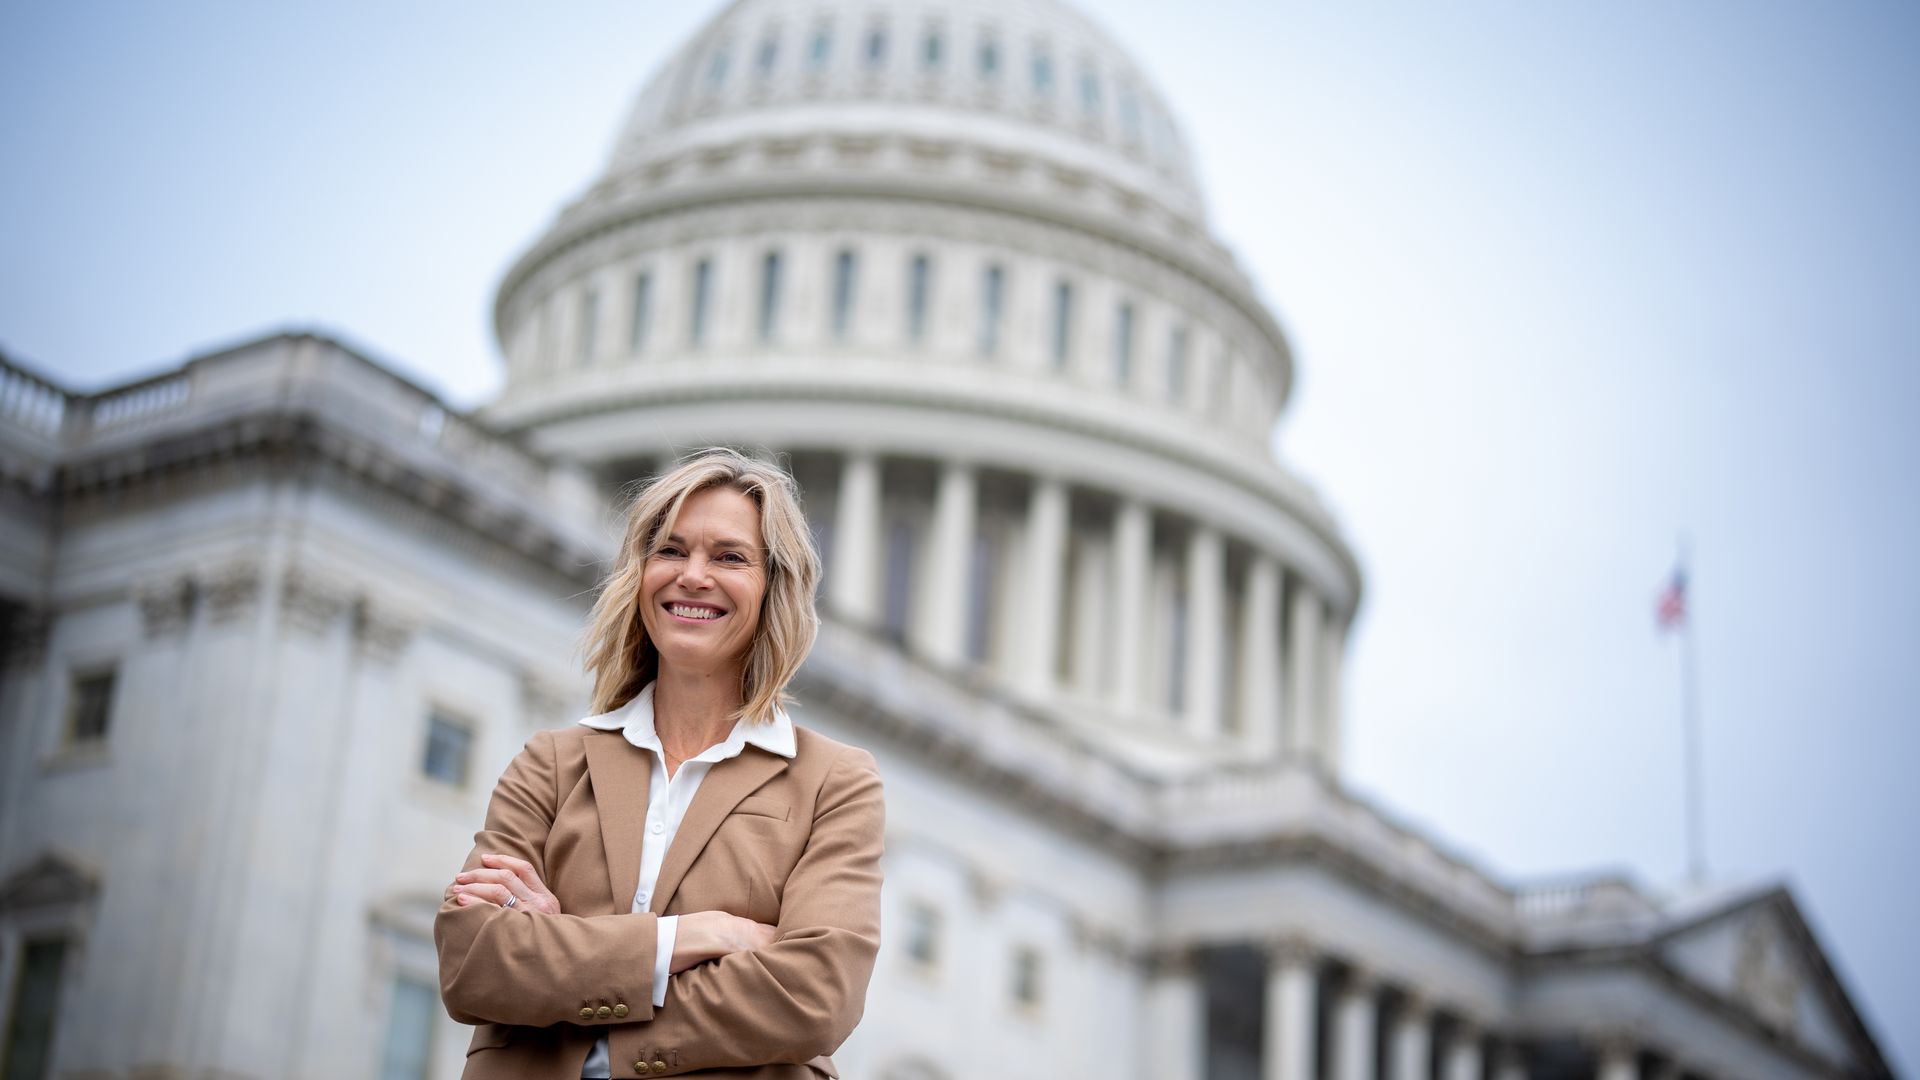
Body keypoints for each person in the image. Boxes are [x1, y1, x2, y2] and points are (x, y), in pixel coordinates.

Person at [433, 448, 884, 1079]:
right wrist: (697, 936)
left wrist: (568, 957)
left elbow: (813, 998)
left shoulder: (832, 782)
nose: (692, 576)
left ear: (774, 587)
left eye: (728, 557)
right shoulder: (553, 764)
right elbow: (473, 963)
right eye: (670, 551)